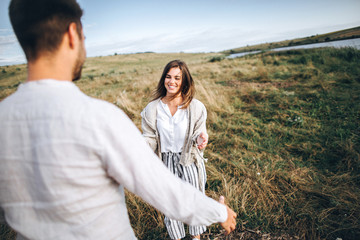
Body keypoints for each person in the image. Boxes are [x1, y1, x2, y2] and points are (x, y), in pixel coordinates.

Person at [0, 0, 237, 239]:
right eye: (84, 36)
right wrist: (220, 212)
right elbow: (163, 189)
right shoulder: (99, 118)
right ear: (73, 34)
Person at [141, 60, 211, 240]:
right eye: (168, 76)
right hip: (164, 162)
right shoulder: (153, 108)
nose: (172, 82)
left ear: (184, 81)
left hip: (188, 159)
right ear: (163, 78)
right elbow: (149, 136)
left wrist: (201, 138)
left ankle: (196, 238)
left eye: (177, 78)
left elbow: (199, 132)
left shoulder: (195, 107)